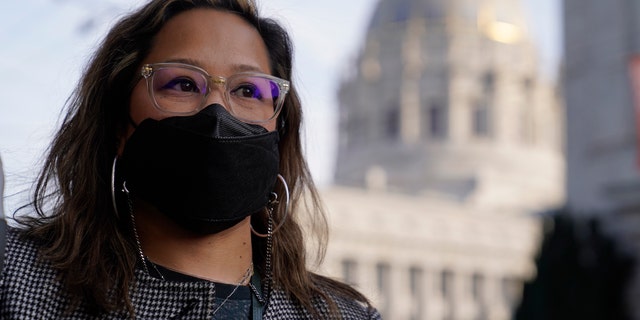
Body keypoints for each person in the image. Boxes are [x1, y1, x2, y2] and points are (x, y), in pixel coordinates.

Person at [0, 0, 381, 319]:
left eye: (247, 89)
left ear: (280, 134)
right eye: (182, 84)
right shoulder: (16, 283)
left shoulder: (346, 316)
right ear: (118, 125)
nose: (217, 110)